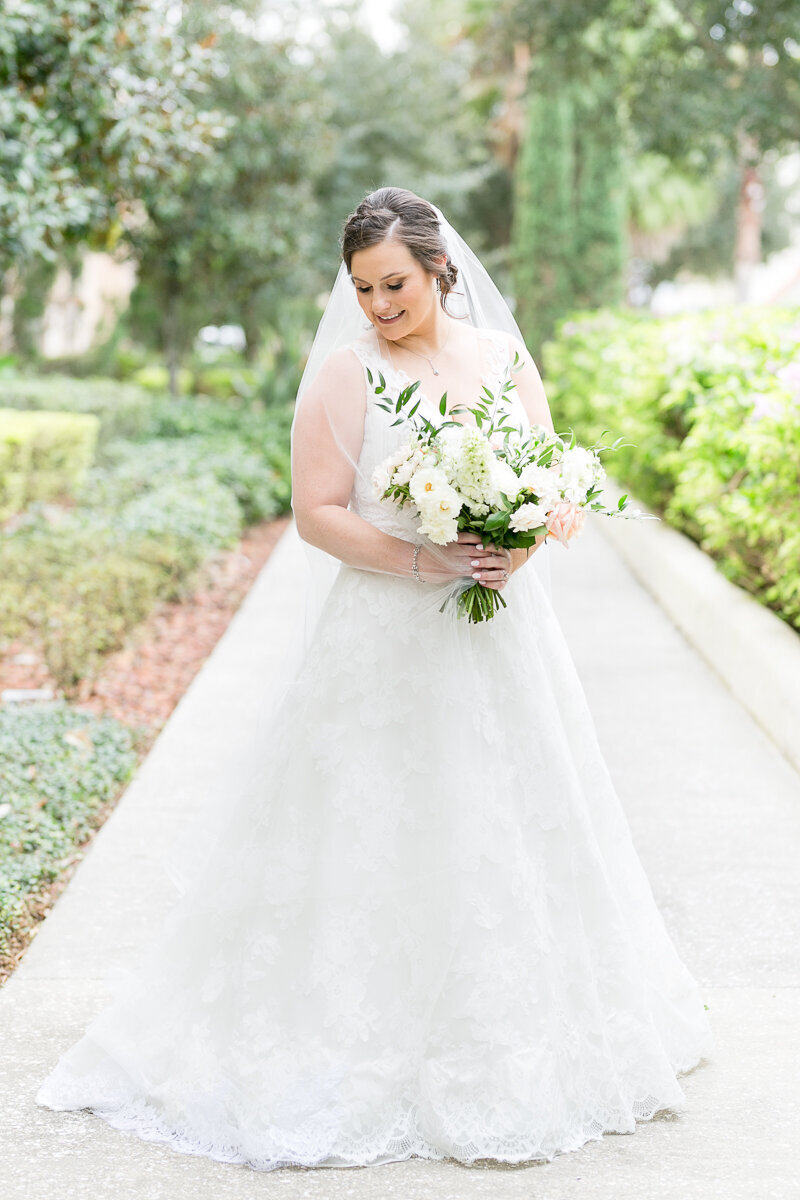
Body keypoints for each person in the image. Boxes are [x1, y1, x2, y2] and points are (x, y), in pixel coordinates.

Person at [35, 186, 712, 1171]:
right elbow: (315, 513)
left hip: (497, 637)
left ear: (439, 269)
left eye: (393, 283)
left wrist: (512, 550)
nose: (377, 304)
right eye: (361, 287)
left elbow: (549, 477)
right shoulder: (346, 376)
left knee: (508, 821)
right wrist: (425, 561)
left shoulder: (501, 359)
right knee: (371, 823)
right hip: (382, 643)